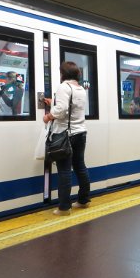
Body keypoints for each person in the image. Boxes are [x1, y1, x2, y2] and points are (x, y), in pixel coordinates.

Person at [43, 61, 90, 216]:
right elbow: (70, 106)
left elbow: (62, 110)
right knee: (80, 166)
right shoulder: (80, 88)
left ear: (63, 73)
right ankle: (83, 200)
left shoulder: (64, 87)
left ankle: (64, 207)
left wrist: (49, 116)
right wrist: (53, 103)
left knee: (64, 171)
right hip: (80, 133)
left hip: (65, 134)